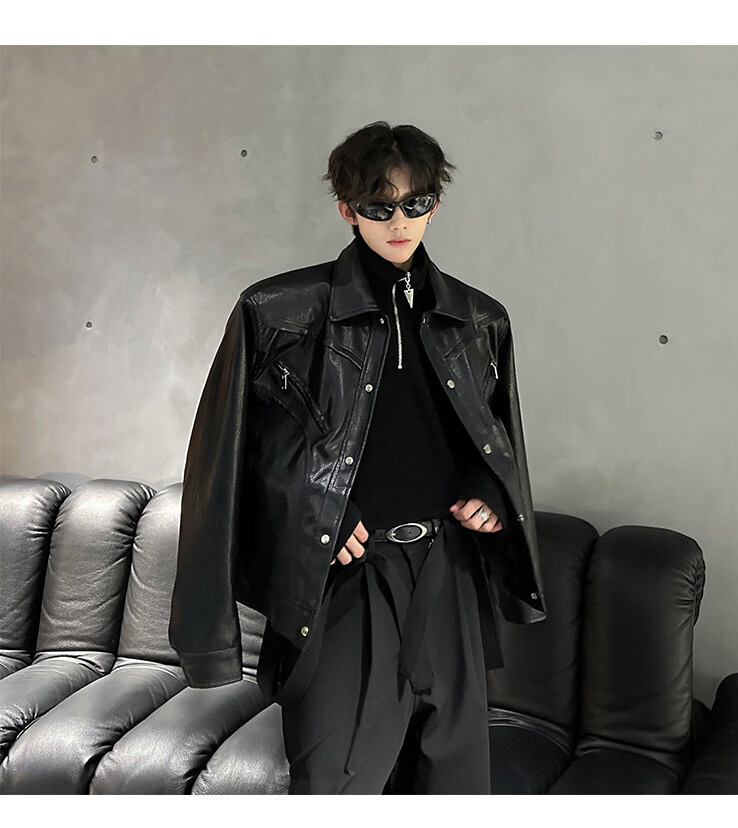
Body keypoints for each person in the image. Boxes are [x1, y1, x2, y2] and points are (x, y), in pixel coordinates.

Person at [168, 121, 546, 795]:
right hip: (345, 582)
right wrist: (319, 510)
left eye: (414, 203)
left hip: (449, 573)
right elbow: (225, 466)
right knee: (338, 784)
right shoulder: (277, 314)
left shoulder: (478, 319)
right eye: (379, 205)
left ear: (435, 204)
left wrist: (490, 488)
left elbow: (491, 438)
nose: (399, 221)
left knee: (454, 786)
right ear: (347, 209)